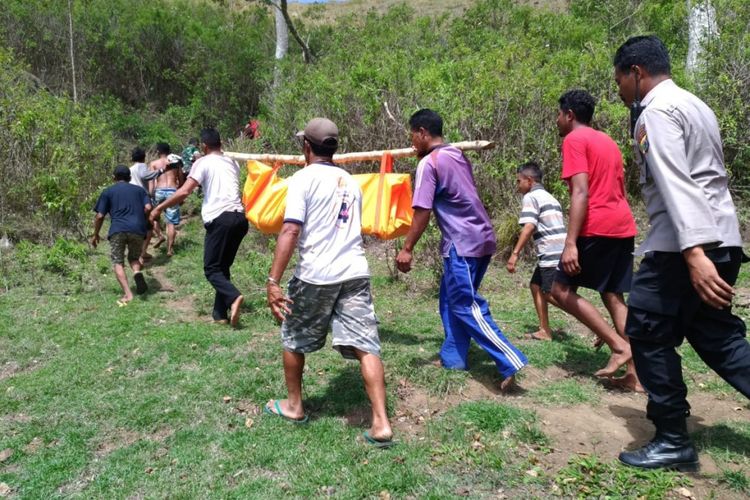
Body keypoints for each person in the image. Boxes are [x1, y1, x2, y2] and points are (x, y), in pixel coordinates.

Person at [613, 35, 750, 471]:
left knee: (647, 331)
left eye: (619, 81)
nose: (619, 92)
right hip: (723, 238)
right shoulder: (696, 104)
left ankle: (673, 438)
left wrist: (693, 253)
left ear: (636, 73)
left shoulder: (655, 113)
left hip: (683, 246)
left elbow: (677, 180)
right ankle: (672, 433)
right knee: (718, 338)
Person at [265, 118, 393, 447]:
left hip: (316, 275)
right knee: (367, 344)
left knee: (293, 337)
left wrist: (273, 280)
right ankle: (381, 422)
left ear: (307, 147)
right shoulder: (349, 181)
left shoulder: (302, 180)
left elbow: (291, 230)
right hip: (354, 271)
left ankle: (294, 406)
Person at [396, 109, 527, 393]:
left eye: (412, 136)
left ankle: (509, 359)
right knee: (449, 300)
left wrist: (407, 248)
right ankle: (453, 358)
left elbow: (422, 210)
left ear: (421, 133)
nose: (412, 142)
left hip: (463, 243)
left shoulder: (429, 163)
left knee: (466, 305)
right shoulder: (456, 155)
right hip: (480, 238)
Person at [550, 90, 643, 392]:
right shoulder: (608, 142)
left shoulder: (574, 140)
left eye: (558, 114)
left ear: (570, 115)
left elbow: (581, 191)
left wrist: (570, 242)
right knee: (614, 295)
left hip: (597, 226)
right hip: (622, 225)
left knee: (559, 289)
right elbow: (620, 186)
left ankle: (618, 346)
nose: (557, 120)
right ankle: (637, 376)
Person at [150, 128, 247, 326]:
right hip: (240, 218)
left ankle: (234, 296)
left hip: (220, 218)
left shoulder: (203, 162)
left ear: (203, 146)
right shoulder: (232, 162)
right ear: (220, 143)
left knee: (211, 269)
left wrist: (159, 207)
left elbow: (184, 192)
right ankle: (220, 315)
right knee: (222, 268)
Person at [506, 161, 565, 341]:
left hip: (551, 251)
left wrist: (514, 254)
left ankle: (593, 323)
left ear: (529, 180)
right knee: (536, 286)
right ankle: (544, 330)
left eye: (519, 181)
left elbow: (530, 226)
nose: (517, 185)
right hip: (560, 249)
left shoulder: (531, 197)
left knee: (551, 294)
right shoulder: (550, 197)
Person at [91, 165, 151, 305]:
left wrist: (95, 234)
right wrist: (143, 219)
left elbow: (100, 216)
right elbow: (148, 207)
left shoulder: (108, 191)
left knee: (118, 261)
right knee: (134, 257)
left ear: (114, 178)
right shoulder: (140, 190)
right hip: (137, 229)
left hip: (117, 229)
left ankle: (128, 294)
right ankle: (136, 273)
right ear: (130, 178)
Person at [129, 147, 178, 262]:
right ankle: (145, 252)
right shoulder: (142, 167)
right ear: (143, 157)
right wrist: (161, 171)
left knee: (145, 222)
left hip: (134, 198)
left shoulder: (130, 169)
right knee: (151, 225)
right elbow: (148, 178)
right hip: (147, 197)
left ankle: (141, 250)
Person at [150, 142, 184, 257]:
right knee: (171, 223)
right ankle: (169, 249)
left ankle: (160, 235)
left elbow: (152, 181)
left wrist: (151, 194)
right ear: (169, 151)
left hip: (159, 191)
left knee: (154, 217)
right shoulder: (176, 163)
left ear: (158, 151)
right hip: (172, 192)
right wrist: (179, 193)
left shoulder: (154, 164)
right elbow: (181, 180)